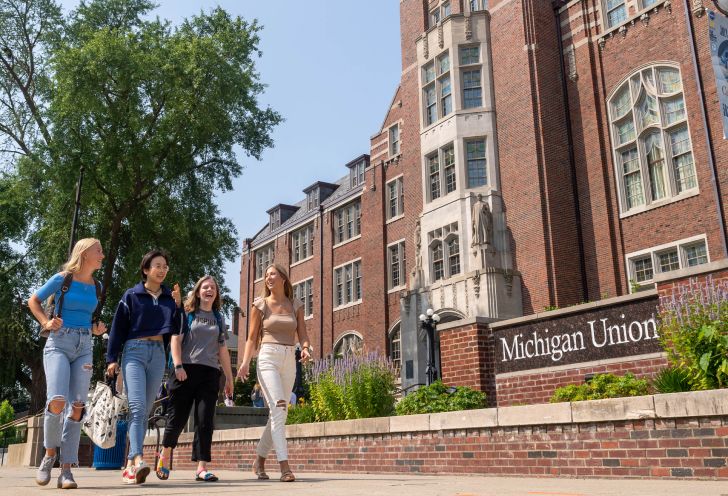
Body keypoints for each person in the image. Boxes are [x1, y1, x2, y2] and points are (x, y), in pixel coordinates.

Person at [28, 238, 107, 489]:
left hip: (85, 345)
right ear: (84, 254)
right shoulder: (63, 278)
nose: (102, 255)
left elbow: (88, 316)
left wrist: (96, 330)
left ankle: (66, 470)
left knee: (77, 407)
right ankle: (49, 455)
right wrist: (45, 323)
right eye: (99, 251)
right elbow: (34, 300)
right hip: (59, 343)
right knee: (57, 401)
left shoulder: (97, 285)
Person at [106, 250, 182, 485]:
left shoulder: (170, 298)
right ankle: (137, 459)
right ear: (146, 269)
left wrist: (179, 307)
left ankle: (129, 466)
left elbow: (178, 331)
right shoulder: (131, 296)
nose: (162, 270)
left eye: (165, 266)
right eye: (157, 265)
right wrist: (112, 358)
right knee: (137, 407)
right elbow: (117, 328)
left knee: (145, 410)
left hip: (158, 354)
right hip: (134, 352)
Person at [236, 263, 312, 483]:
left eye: (272, 274)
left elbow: (303, 334)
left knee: (280, 413)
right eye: (266, 275)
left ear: (283, 279)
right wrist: (245, 363)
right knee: (279, 406)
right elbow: (251, 338)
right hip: (268, 356)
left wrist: (305, 349)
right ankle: (284, 466)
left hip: (290, 359)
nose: (268, 278)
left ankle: (259, 459)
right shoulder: (260, 305)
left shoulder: (295, 304)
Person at [156, 275, 234, 482]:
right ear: (198, 291)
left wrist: (229, 377)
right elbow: (175, 340)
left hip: (209, 373)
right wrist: (178, 365)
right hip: (185, 371)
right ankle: (165, 455)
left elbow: (223, 349)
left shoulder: (218, 318)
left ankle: (201, 467)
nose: (210, 290)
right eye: (206, 287)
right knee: (178, 418)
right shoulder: (188, 313)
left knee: (205, 420)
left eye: (213, 288)